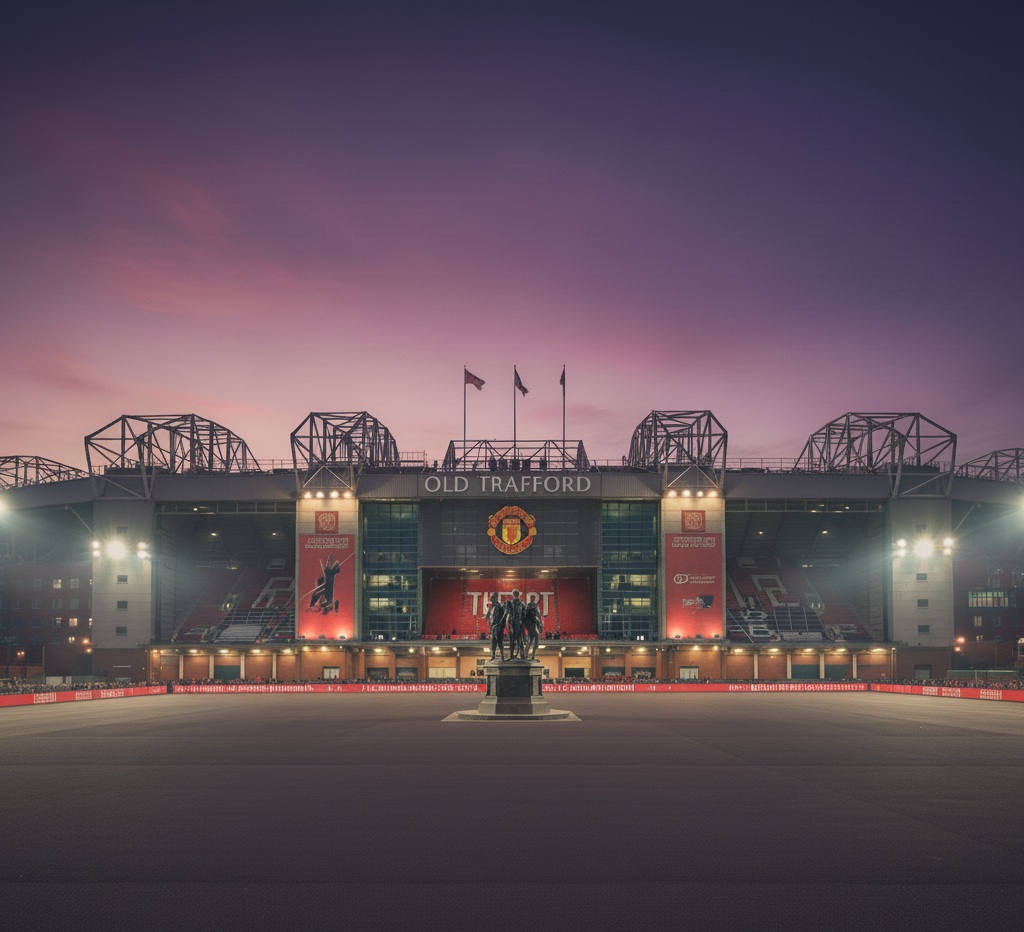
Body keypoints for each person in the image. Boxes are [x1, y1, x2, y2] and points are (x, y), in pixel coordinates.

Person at [486, 592, 506, 661]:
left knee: (499, 641)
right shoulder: (491, 607)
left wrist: (499, 626)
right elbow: (488, 615)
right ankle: (493, 655)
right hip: (492, 626)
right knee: (493, 641)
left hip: (498, 626)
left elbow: (502, 618)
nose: (491, 601)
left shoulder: (499, 606)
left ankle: (502, 656)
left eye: (492, 599)